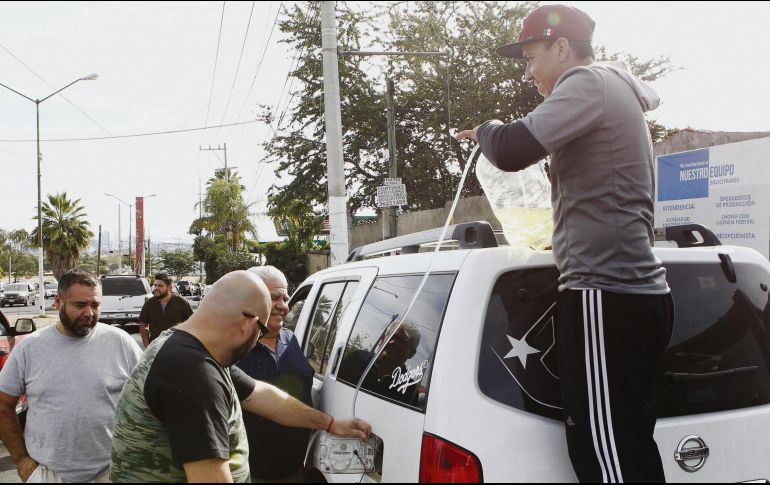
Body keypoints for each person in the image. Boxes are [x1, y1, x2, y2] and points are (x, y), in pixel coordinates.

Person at [457, 4, 674, 482]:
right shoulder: (610, 92)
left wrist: (488, 129)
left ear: (562, 47)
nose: (529, 73)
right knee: (626, 446)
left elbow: (511, 148)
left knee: (608, 459)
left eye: (532, 58)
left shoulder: (588, 83)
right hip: (628, 294)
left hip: (606, 294)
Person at [110, 270, 371, 483]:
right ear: (249, 322)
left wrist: (329, 423)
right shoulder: (192, 372)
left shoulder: (193, 350)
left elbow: (261, 394)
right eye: (261, 330)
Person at [0, 270, 142, 483]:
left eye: (95, 305)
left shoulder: (121, 342)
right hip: (48, 475)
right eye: (79, 305)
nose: (89, 313)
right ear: (58, 301)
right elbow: (3, 404)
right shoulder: (30, 348)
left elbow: (147, 401)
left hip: (112, 472)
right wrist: (21, 460)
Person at [235, 266, 314, 483]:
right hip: (250, 474)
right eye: (274, 298)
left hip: (294, 471)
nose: (283, 306)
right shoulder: (234, 348)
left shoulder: (291, 340)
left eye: (285, 298)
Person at [139, 273, 194, 348]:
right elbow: (143, 324)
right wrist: (147, 346)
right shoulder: (150, 303)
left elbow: (191, 324)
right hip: (156, 347)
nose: (156, 288)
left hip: (178, 347)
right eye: (155, 285)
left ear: (169, 288)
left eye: (160, 286)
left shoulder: (181, 302)